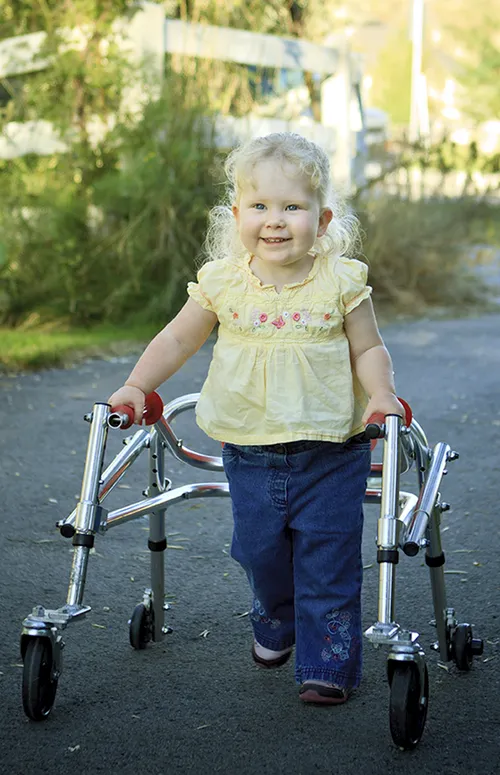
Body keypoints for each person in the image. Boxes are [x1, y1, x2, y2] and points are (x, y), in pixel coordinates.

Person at [108, 132, 404, 705]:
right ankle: (275, 620)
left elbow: (369, 349)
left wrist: (381, 394)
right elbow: (177, 338)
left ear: (322, 220)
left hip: (332, 451)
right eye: (260, 206)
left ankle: (328, 667)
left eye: (292, 207)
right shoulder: (224, 282)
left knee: (329, 560)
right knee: (260, 552)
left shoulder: (342, 283)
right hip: (249, 451)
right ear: (237, 214)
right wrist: (137, 385)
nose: (275, 220)